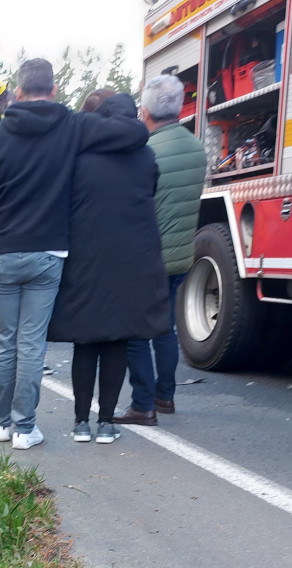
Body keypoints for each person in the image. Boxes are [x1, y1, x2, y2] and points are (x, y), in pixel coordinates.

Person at [0, 58, 149, 450]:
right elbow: (131, 133)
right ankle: (24, 428)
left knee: (5, 344)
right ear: (52, 90)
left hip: (1, 251)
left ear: (17, 92)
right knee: (32, 345)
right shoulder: (71, 125)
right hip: (48, 253)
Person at [47, 89, 171, 444]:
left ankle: (80, 423)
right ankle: (106, 423)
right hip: (129, 261)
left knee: (85, 343)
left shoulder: (79, 155)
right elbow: (151, 191)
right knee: (117, 341)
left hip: (85, 258)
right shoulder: (146, 156)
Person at [114, 75, 207, 426]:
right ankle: (165, 395)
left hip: (147, 258)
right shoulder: (196, 148)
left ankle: (142, 404)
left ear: (146, 110)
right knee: (165, 328)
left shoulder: (146, 152)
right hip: (182, 255)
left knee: (137, 332)